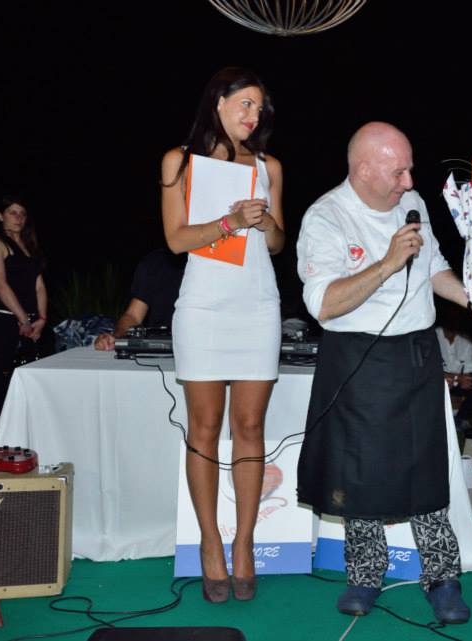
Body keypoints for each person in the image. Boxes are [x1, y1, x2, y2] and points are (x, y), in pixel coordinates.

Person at [295, 121, 472, 624]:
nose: (409, 181)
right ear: (363, 169)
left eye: (410, 169)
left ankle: (443, 578)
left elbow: (433, 269)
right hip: (357, 357)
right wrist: (387, 263)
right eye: (398, 171)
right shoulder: (326, 216)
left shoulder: (413, 205)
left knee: (427, 469)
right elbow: (323, 303)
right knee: (359, 471)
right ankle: (365, 575)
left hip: (415, 354)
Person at [160, 67, 286, 603]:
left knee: (251, 426)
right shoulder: (179, 161)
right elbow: (175, 239)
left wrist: (263, 222)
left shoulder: (268, 166)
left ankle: (245, 543)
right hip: (204, 307)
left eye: (260, 107)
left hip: (257, 305)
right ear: (218, 102)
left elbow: (277, 243)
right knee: (205, 427)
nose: (254, 115)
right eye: (245, 103)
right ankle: (210, 543)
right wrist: (230, 223)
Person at [0, 196, 47, 432]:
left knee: (30, 376)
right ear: (1, 216)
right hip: (3, 320)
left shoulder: (29, 246)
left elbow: (39, 286)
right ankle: (0, 436)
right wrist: (24, 319)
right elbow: (1, 286)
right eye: (13, 212)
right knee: (2, 378)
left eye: (22, 213)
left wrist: (41, 319)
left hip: (30, 322)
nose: (19, 218)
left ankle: (25, 432)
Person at [94, 248, 185, 350]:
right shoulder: (155, 262)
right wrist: (117, 338)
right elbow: (133, 316)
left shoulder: (200, 265)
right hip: (158, 348)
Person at [435, 315, 472, 434]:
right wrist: (456, 378)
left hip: (458, 382)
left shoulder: (465, 342)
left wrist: (468, 377)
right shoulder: (433, 337)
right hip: (438, 380)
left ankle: (460, 419)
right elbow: (430, 367)